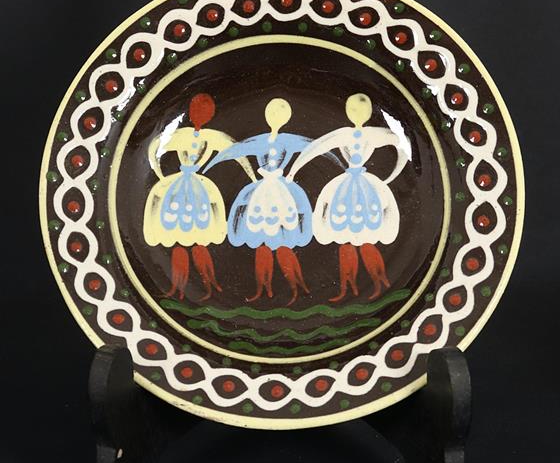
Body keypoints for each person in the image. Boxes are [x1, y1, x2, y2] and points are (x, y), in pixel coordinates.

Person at [287, 93, 410, 302]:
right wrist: (293, 171)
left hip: (361, 188)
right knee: (346, 239)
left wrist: (394, 174)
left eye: (361, 109)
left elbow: (402, 144)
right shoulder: (348, 134)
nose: (357, 113)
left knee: (366, 237)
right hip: (348, 188)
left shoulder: (372, 134)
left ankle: (380, 284)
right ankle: (348, 288)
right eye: (353, 109)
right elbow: (316, 148)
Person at [143, 93, 254, 301]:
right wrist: (159, 175)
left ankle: (202, 285)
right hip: (189, 186)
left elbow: (238, 154)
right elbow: (153, 150)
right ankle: (186, 286)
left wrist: (252, 177)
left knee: (197, 238)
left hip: (190, 186)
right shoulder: (200, 136)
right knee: (186, 238)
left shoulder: (199, 136)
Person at [204, 98, 314, 305]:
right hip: (260, 192)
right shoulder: (257, 141)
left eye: (279, 114)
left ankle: (298, 287)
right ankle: (263, 289)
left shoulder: (289, 140)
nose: (275, 117)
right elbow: (236, 153)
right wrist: (253, 178)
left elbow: (311, 150)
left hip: (282, 191)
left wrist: (292, 173)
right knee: (260, 240)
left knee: (284, 239)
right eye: (272, 113)